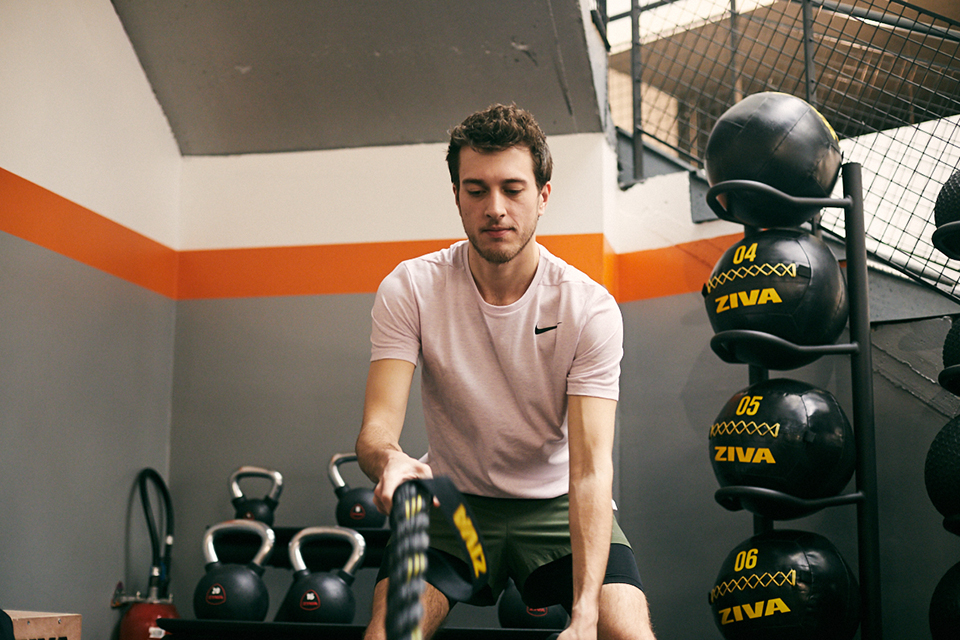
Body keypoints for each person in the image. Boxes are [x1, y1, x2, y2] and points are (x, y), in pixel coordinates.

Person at [356, 103, 656, 640]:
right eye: (476, 190)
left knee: (625, 634)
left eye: (513, 189)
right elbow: (376, 432)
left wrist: (585, 614)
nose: (495, 208)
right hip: (453, 507)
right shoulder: (411, 288)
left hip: (559, 506)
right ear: (456, 196)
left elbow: (590, 468)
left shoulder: (587, 307)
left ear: (542, 195)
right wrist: (392, 462)